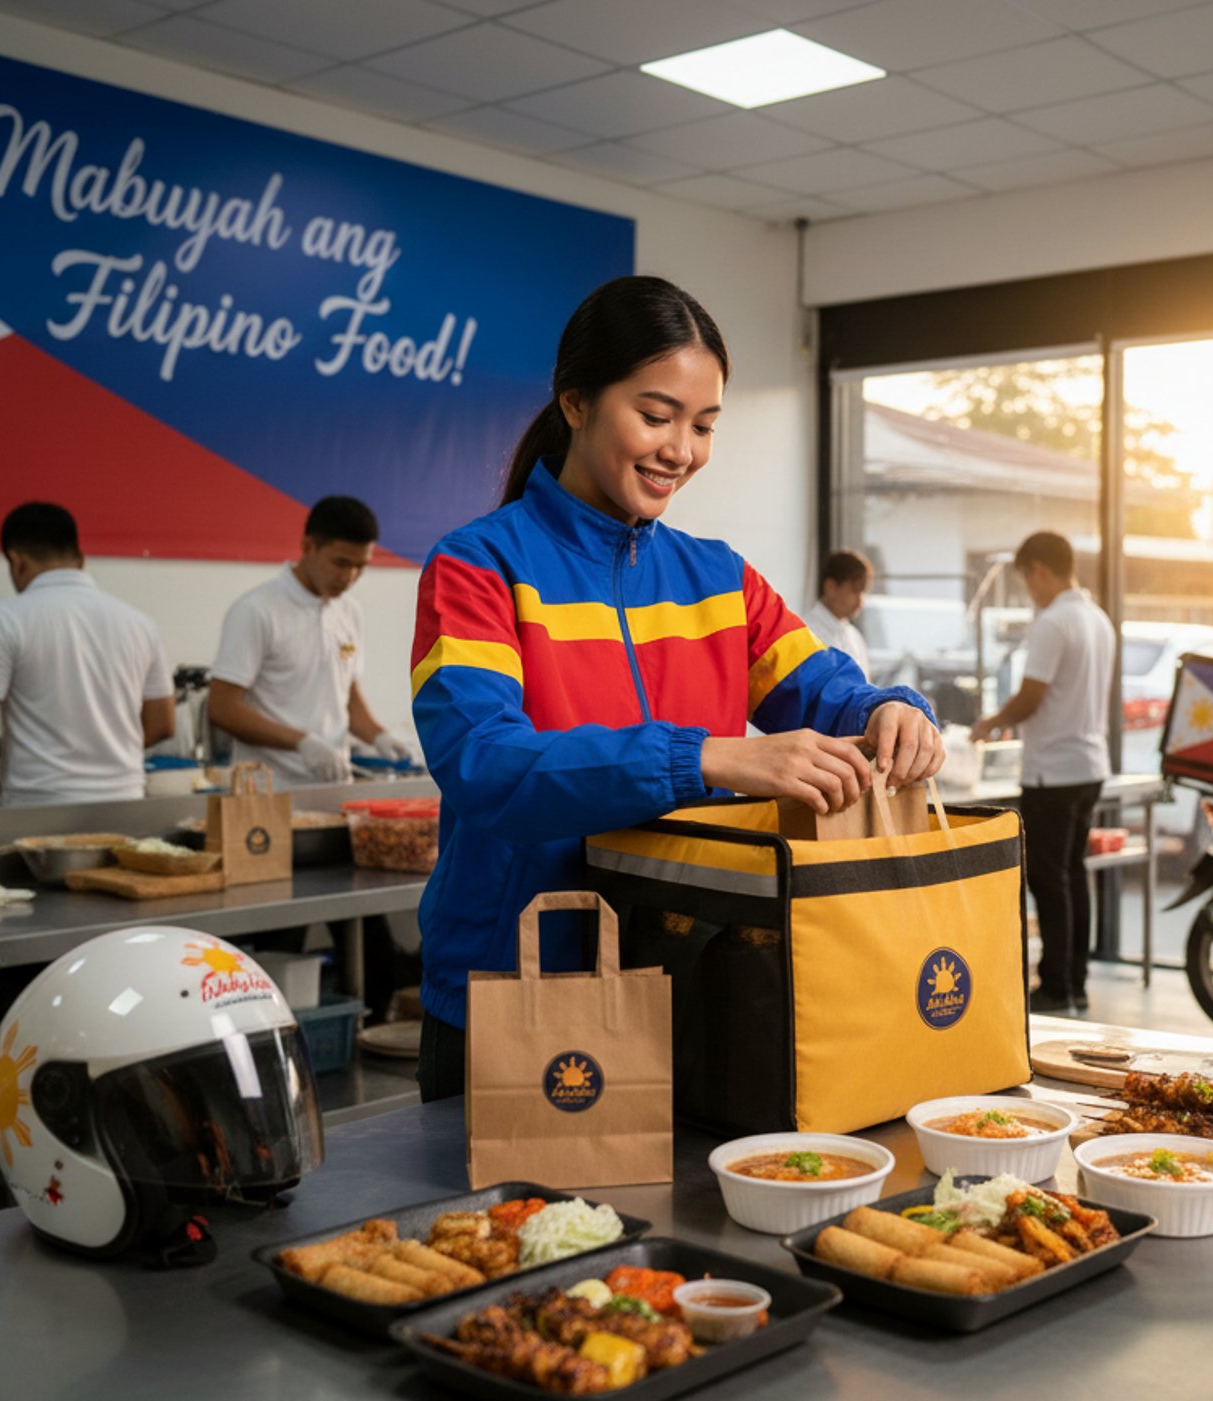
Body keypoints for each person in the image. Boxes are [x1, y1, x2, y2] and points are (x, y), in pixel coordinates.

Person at [409, 275, 944, 1101]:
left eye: (703, 425)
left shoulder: (719, 578)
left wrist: (892, 710)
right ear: (575, 402)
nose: (681, 450)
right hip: (518, 992)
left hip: (693, 988)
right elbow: (485, 764)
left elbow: (826, 689)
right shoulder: (477, 567)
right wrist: (706, 758)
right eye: (656, 416)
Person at [0, 502, 175, 806]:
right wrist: (108, 753)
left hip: (38, 809)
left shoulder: (6, 618)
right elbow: (162, 725)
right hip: (124, 804)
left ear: (16, 561)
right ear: (81, 560)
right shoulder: (140, 623)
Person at [973, 531, 1114, 1017]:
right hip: (1089, 766)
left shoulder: (1053, 622)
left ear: (1038, 570)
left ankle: (1055, 986)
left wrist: (990, 722)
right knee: (1073, 875)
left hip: (1053, 771)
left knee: (1049, 881)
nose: (1029, 591)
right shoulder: (1098, 619)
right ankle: (1076, 983)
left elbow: (1032, 696)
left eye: (1026, 580)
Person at [207, 496, 410, 787]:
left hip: (334, 783)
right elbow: (222, 709)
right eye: (340, 563)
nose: (349, 577)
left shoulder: (349, 611)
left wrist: (379, 736)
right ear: (308, 546)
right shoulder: (256, 610)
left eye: (360, 566)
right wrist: (302, 742)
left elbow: (347, 695)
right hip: (268, 788)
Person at [806, 549, 874, 675]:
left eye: (863, 592)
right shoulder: (806, 632)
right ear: (830, 587)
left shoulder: (854, 636)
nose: (860, 599)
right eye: (854, 590)